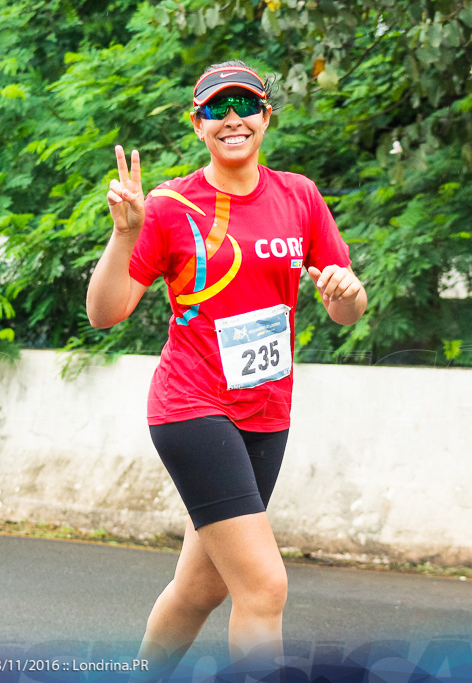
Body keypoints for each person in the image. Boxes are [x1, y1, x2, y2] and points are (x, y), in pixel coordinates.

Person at [86, 61, 367, 675]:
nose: (231, 118)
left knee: (201, 588)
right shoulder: (169, 206)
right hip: (192, 406)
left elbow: (348, 308)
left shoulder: (299, 195)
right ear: (197, 124)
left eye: (245, 105)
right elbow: (104, 314)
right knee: (263, 586)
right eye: (216, 108)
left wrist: (345, 291)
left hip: (267, 410)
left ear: (267, 117)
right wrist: (124, 236)